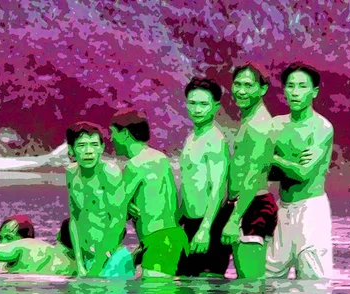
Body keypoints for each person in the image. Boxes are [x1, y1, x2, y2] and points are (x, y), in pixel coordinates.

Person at [265, 63, 334, 279]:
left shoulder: (321, 128)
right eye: (290, 86)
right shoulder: (276, 125)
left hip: (311, 210)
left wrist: (274, 159)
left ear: (314, 92)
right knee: (268, 277)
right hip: (283, 209)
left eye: (302, 87)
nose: (295, 92)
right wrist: (279, 164)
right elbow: (264, 171)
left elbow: (303, 174)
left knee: (313, 283)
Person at [110, 108, 189, 278]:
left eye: (113, 133)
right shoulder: (160, 158)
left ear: (124, 133)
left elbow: (116, 211)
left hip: (157, 242)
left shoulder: (135, 165)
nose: (111, 138)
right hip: (174, 237)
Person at [220, 63, 279, 279]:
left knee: (250, 283)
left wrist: (235, 219)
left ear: (262, 89)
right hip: (244, 204)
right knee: (246, 283)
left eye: (248, 85)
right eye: (237, 84)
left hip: (252, 206)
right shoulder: (249, 120)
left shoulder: (259, 124)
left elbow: (253, 175)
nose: (241, 91)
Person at [65, 121, 135, 278]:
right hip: (87, 259)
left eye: (94, 145)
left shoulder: (109, 173)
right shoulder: (71, 173)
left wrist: (98, 266)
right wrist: (79, 264)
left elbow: (117, 221)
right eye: (82, 145)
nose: (89, 151)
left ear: (102, 148)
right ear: (71, 149)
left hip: (112, 259)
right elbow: (74, 219)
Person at [176, 77, 230, 277]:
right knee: (186, 291)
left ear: (215, 107)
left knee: (207, 292)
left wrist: (205, 229)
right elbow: (188, 185)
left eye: (203, 104)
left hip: (210, 224)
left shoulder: (215, 141)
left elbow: (218, 189)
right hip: (190, 222)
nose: (197, 109)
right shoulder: (191, 138)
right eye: (192, 103)